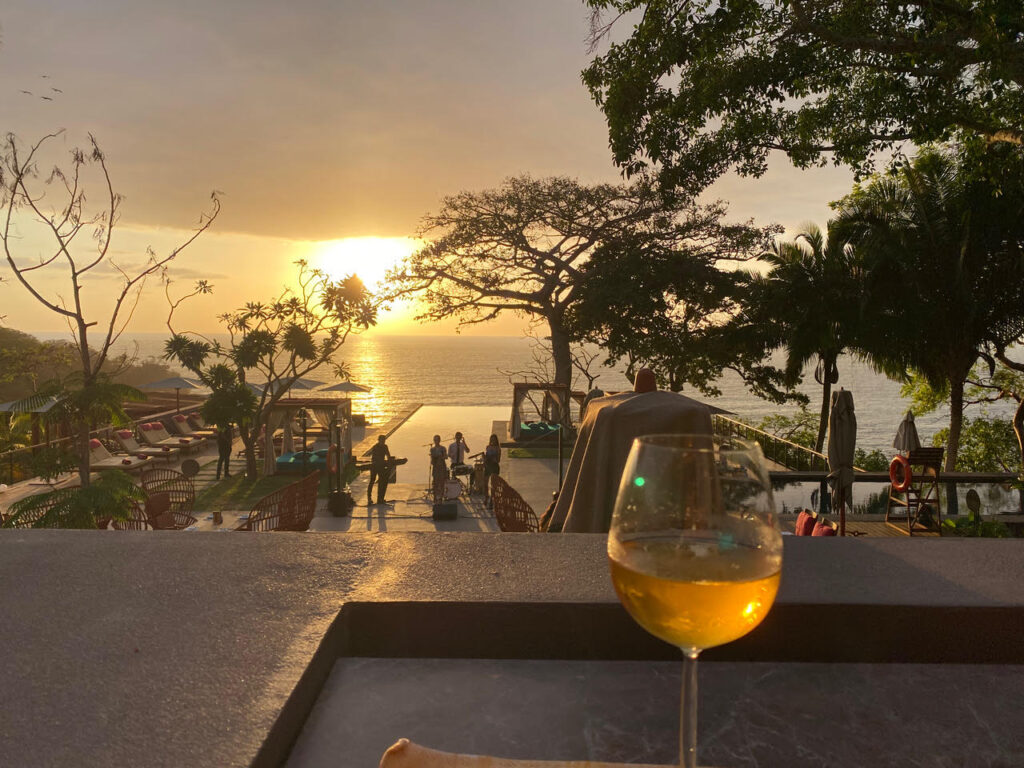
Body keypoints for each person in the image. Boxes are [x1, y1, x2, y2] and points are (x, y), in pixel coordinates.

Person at [366, 434, 392, 505]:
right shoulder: (375, 447)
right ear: (379, 440)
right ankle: (369, 498)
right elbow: (374, 458)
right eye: (382, 440)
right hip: (374, 466)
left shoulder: (385, 447)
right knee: (372, 480)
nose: (383, 442)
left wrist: (389, 462)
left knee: (381, 481)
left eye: (384, 441)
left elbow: (388, 456)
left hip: (381, 466)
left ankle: (380, 498)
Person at [483, 434, 501, 507]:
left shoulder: (498, 448)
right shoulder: (487, 447)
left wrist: (494, 459)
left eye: (494, 439)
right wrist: (484, 458)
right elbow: (486, 458)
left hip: (494, 467)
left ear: (496, 440)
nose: (492, 441)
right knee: (485, 484)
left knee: (493, 485)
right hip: (487, 466)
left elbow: (498, 460)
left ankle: (491, 500)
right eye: (491, 439)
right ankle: (486, 497)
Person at [429, 434, 447, 505]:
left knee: (442, 482)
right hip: (436, 467)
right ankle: (435, 497)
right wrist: (433, 458)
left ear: (439, 440)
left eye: (437, 440)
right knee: (435, 483)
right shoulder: (432, 449)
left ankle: (441, 498)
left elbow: (446, 457)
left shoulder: (443, 448)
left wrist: (441, 456)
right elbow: (432, 461)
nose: (436, 441)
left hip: (442, 467)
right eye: (435, 440)